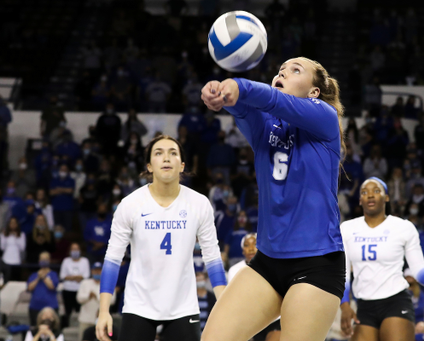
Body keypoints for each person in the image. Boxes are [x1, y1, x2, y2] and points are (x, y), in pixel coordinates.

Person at [200, 57, 346, 341]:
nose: (283, 72)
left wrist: (239, 86)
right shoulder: (265, 128)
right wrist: (220, 93)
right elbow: (245, 106)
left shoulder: (325, 116)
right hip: (267, 262)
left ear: (314, 92)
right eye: (280, 70)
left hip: (316, 264)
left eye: (295, 70)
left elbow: (267, 99)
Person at [96, 135, 226, 341]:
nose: (166, 158)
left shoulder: (199, 204)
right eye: (159, 153)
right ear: (149, 166)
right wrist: (104, 311)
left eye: (173, 153)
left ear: (182, 166)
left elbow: (213, 258)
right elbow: (112, 259)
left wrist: (224, 307)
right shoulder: (130, 204)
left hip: (183, 306)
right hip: (138, 304)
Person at [340, 178, 424, 341]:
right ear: (360, 200)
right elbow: (342, 272)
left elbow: (417, 266)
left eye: (376, 191)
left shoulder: (403, 227)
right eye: (364, 192)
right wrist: (344, 304)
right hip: (364, 304)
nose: (370, 195)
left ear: (386, 197)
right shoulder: (347, 229)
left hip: (395, 301)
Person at [226, 233, 281, 341]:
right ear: (242, 250)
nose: (251, 249)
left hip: (273, 318)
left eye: (255, 244)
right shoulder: (235, 270)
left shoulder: (274, 266)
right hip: (248, 320)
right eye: (247, 245)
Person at [78, 262, 115, 339]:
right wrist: (88, 296)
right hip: (85, 319)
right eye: (95, 270)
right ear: (92, 271)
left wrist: (97, 297)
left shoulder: (109, 283)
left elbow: (112, 300)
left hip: (102, 320)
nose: (97, 272)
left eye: (99, 270)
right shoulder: (85, 282)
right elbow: (79, 298)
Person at [60, 243, 90, 328]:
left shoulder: (85, 261)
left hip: (80, 290)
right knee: (67, 311)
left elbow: (86, 275)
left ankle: (78, 326)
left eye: (77, 249)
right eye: (73, 249)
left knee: (79, 310)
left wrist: (70, 277)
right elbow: (62, 276)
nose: (75, 251)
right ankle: (67, 327)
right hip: (67, 290)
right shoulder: (66, 261)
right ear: (70, 251)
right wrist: (77, 277)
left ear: (80, 251)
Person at [27, 252, 60, 326]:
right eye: (42, 259)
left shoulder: (53, 274)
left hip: (51, 307)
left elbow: (52, 287)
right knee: (34, 328)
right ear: (39, 261)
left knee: (52, 328)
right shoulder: (34, 275)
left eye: (46, 259)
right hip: (35, 307)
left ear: (49, 261)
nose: (44, 261)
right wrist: (38, 278)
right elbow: (29, 288)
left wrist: (44, 277)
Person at [1, 216, 26, 280]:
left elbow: (22, 248)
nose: (13, 225)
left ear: (17, 224)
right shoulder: (3, 235)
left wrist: (16, 237)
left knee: (15, 280)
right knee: (6, 280)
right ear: (8, 224)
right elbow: (2, 247)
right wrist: (5, 236)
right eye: (11, 223)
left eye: (14, 223)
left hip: (16, 261)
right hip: (6, 260)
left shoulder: (22, 234)